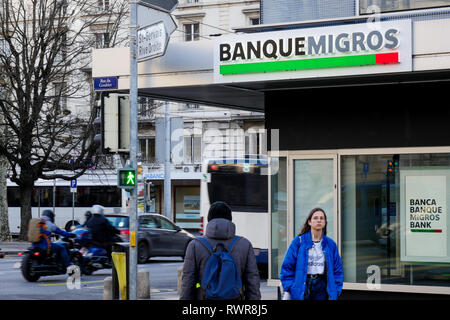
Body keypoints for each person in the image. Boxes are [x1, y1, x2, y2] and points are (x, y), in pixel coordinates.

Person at [180, 201, 261, 300]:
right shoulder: (244, 244)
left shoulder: (195, 245)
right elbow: (252, 280)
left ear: (209, 219)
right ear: (230, 219)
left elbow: (188, 281)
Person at [280, 207, 343, 300]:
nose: (319, 220)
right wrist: (291, 287)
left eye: (322, 218)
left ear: (325, 223)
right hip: (303, 283)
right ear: (309, 222)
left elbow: (338, 270)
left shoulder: (330, 244)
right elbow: (287, 266)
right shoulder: (298, 242)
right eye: (315, 218)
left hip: (322, 285)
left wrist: (336, 290)